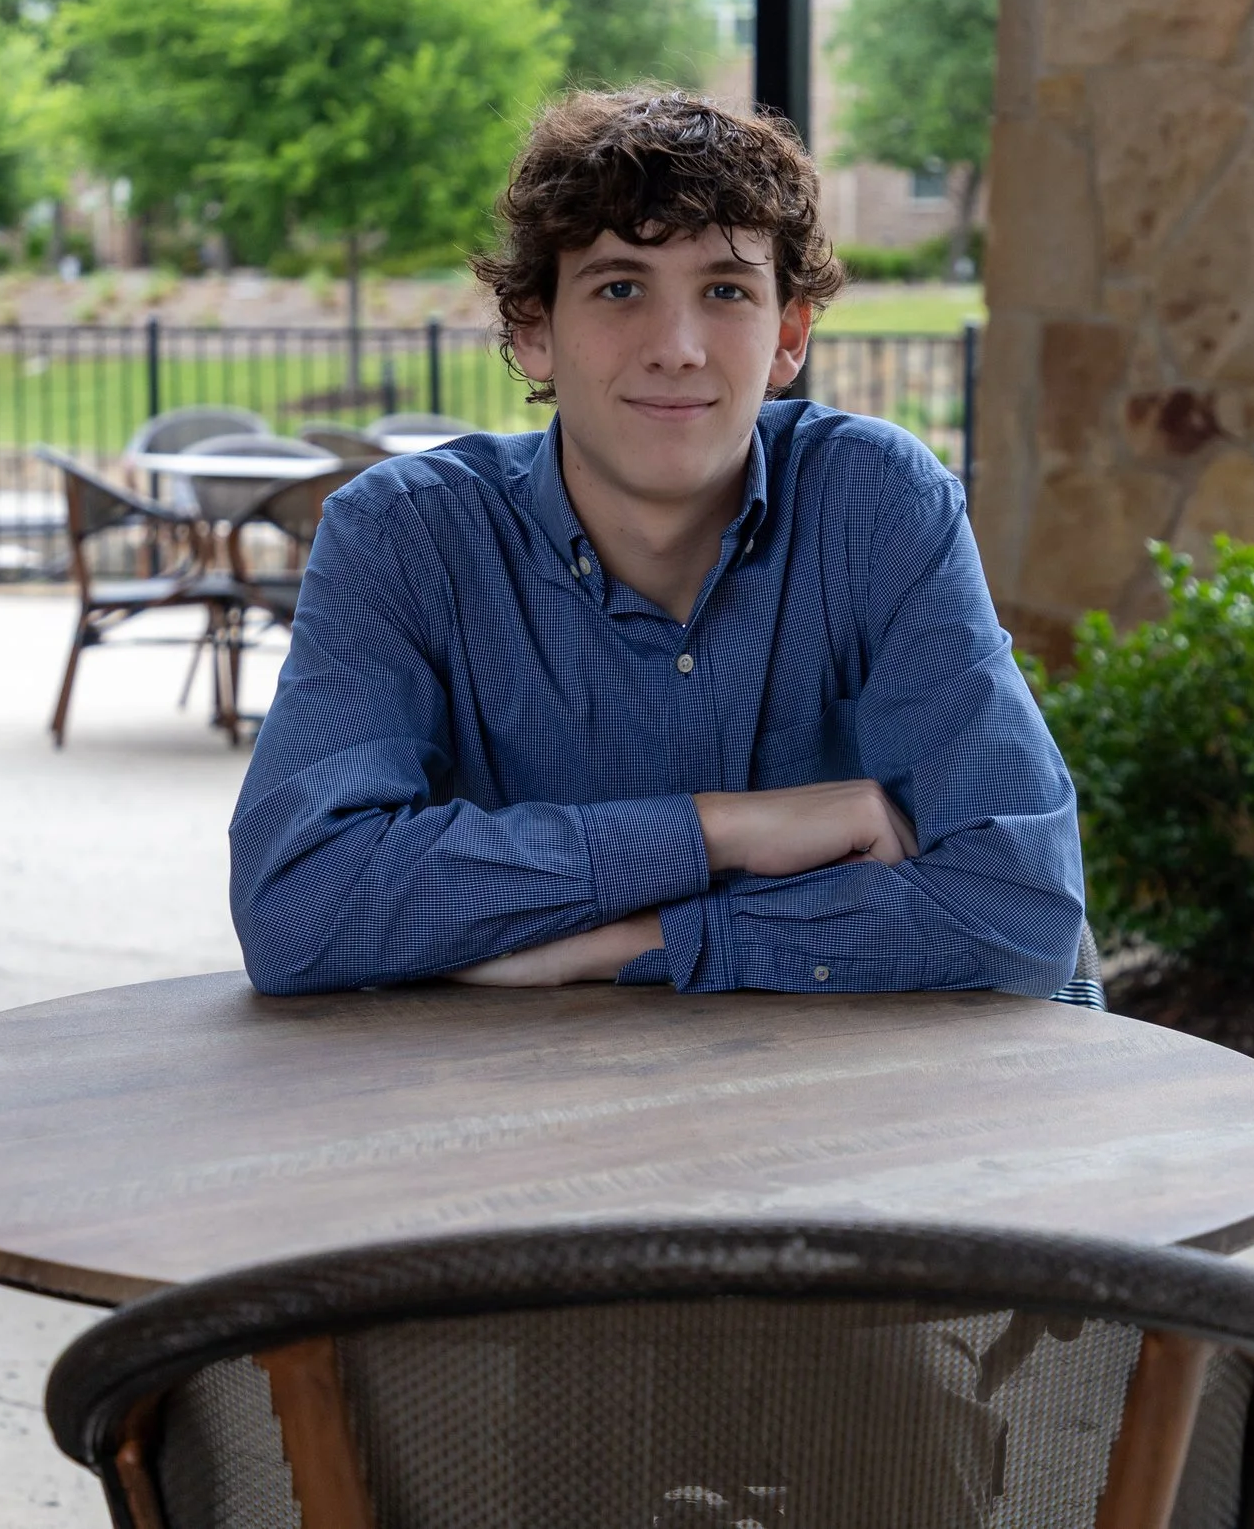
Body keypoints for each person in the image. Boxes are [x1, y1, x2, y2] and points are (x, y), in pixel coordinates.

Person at [228, 88, 1088, 1003]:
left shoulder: (876, 506)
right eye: (620, 287)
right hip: (534, 1113)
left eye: (725, 290)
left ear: (787, 334)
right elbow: (298, 903)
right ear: (534, 329)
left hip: (866, 1115)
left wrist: (634, 943)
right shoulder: (405, 537)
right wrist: (720, 831)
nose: (677, 346)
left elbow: (1021, 913)